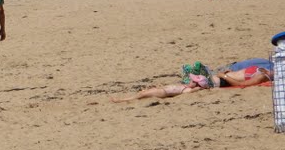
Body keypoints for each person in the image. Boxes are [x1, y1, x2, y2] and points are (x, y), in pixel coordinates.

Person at [112, 65, 273, 102]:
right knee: (183, 82)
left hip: (219, 81)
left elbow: (243, 86)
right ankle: (192, 85)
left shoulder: (263, 77)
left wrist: (224, 75)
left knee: (190, 74)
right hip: (218, 78)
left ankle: (131, 98)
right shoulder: (264, 68)